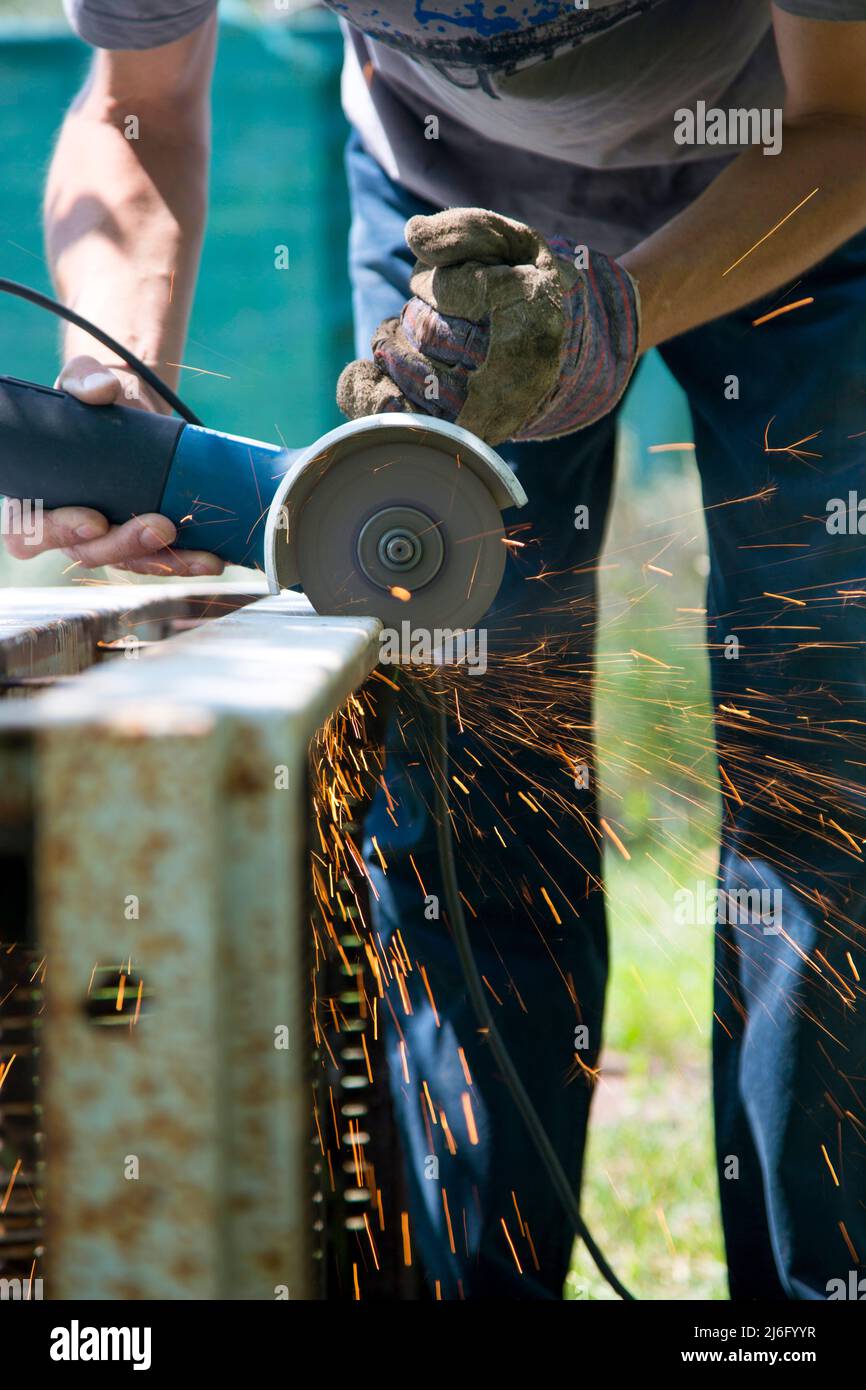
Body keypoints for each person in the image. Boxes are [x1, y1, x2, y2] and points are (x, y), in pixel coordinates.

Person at [14, 0, 866, 1300]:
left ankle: (811, 1310)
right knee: (458, 776)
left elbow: (841, 118)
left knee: (823, 756)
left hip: (795, 191)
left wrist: (611, 312)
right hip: (447, 227)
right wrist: (114, 383)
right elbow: (136, 108)